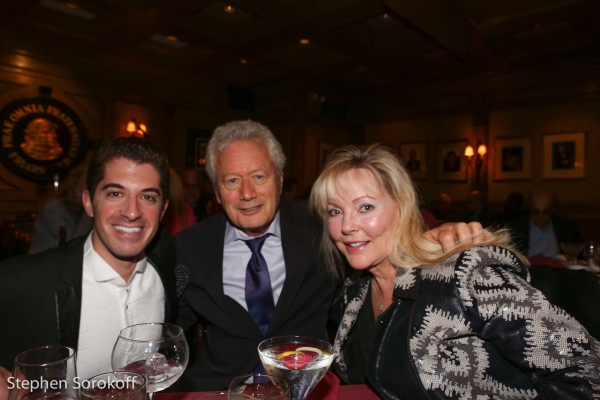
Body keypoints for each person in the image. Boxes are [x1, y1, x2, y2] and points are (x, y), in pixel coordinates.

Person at [175, 120, 489, 391]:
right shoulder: (189, 247)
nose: (247, 193)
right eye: (232, 181)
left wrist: (431, 238)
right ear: (216, 191)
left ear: (280, 180)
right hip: (222, 389)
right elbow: (167, 323)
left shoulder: (324, 227)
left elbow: (377, 237)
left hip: (309, 387)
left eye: (259, 176)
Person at [310, 144, 599, 399]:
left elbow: (587, 370)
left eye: (365, 207)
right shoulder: (353, 292)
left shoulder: (465, 275)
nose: (347, 226)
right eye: (335, 211)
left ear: (403, 207)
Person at [0, 137, 183, 383]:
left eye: (147, 197)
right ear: (89, 202)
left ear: (162, 211)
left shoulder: (167, 258)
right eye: (116, 193)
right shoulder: (26, 282)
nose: (132, 212)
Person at [28, 164, 93, 253]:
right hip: (45, 263)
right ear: (74, 184)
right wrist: (88, 209)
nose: (93, 187)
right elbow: (72, 245)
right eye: (88, 182)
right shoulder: (53, 208)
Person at [508, 188, 583, 258]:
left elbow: (579, 254)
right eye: (535, 211)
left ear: (553, 210)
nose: (539, 216)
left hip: (559, 270)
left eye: (545, 212)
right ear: (529, 208)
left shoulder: (566, 226)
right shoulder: (516, 227)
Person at [163, 168, 197, 236]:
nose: (191, 190)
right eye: (187, 186)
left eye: (195, 186)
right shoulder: (187, 209)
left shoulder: (186, 210)